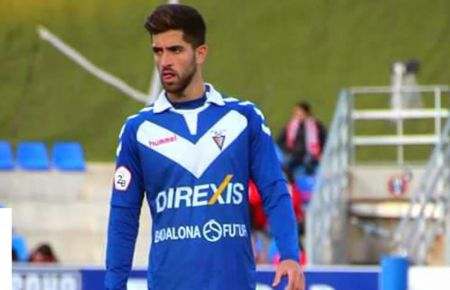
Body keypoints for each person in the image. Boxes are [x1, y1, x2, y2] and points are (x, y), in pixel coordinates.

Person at [105, 4, 304, 290]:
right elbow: (123, 217)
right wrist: (114, 285)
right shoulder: (138, 130)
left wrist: (289, 255)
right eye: (157, 51)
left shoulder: (243, 118)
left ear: (200, 53)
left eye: (175, 49)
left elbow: (274, 189)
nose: (164, 61)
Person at [277, 102, 326, 176]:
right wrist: (287, 150)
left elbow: (324, 140)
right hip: (294, 154)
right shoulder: (291, 126)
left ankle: (309, 184)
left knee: (308, 163)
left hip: (311, 155)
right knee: (286, 163)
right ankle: (291, 185)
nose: (297, 115)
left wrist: (321, 152)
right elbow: (280, 140)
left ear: (306, 113)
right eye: (296, 113)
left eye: (299, 113)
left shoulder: (316, 126)